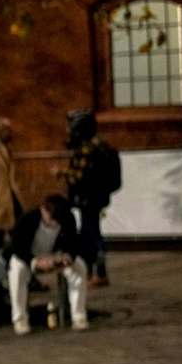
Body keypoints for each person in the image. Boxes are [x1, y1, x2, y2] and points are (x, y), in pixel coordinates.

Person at [3, 193, 93, 335]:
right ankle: (20, 319)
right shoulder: (27, 219)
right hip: (28, 255)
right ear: (43, 210)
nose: (54, 223)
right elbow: (18, 246)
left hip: (54, 253)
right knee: (17, 271)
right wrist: (34, 262)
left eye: (58, 220)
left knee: (79, 267)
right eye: (51, 218)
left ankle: (79, 315)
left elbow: (73, 241)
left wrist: (68, 256)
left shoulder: (67, 218)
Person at [62, 109, 120, 287]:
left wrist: (61, 173)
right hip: (98, 197)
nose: (67, 130)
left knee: (91, 234)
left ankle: (97, 273)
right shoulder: (100, 145)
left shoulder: (86, 148)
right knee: (89, 232)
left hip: (87, 198)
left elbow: (79, 177)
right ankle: (91, 271)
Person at [0, 117, 23, 240]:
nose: (10, 134)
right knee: (0, 225)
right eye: (7, 130)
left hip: (9, 192)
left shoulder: (7, 149)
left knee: (15, 221)